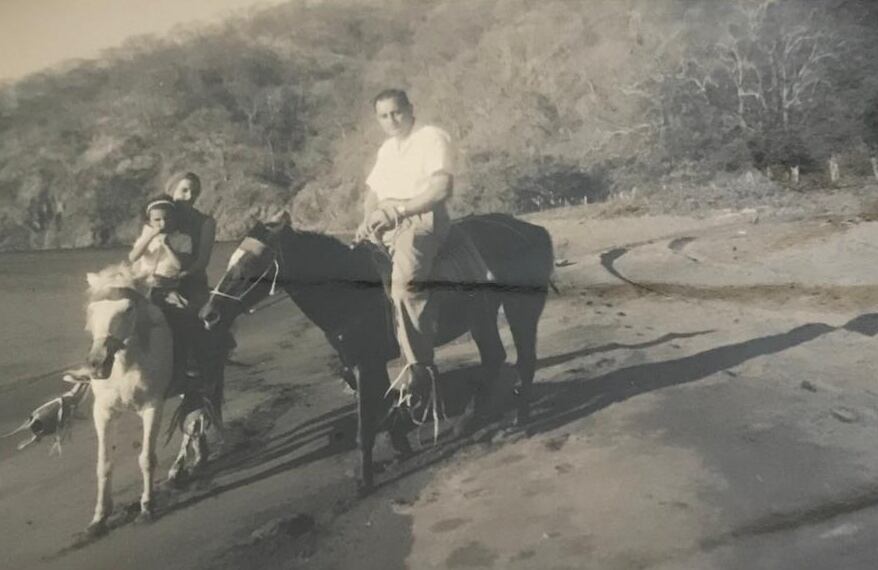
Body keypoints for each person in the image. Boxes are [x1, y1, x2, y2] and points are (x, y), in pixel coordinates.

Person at [356, 88, 455, 398]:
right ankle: (364, 358)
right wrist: (367, 218)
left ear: (411, 109)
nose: (392, 120)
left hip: (421, 219)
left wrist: (399, 210)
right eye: (384, 116)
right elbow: (373, 192)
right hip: (384, 220)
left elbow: (440, 189)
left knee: (404, 285)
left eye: (397, 112)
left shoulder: (432, 137)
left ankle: (421, 368)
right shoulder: (386, 149)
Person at [129, 194, 195, 379]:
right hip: (142, 286)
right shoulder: (145, 236)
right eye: (157, 219)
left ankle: (184, 361)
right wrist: (148, 238)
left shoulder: (183, 239)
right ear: (150, 221)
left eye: (167, 218)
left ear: (174, 219)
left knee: (181, 316)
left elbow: (180, 265)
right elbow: (133, 257)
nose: (162, 223)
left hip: (166, 288)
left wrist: (167, 245)